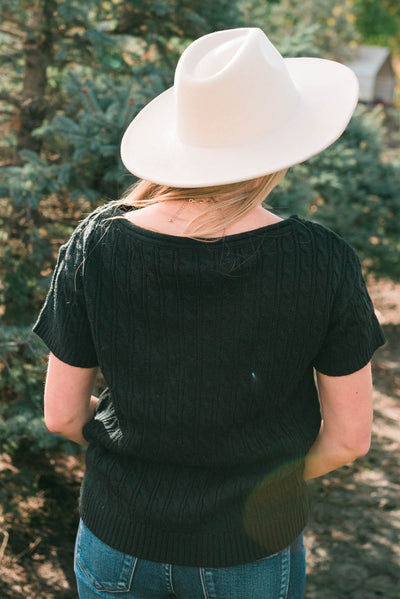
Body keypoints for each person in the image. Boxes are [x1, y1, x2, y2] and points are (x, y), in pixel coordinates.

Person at [32, 28, 385, 599]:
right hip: (248, 554)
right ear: (284, 145)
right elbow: (347, 441)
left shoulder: (95, 243)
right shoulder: (324, 260)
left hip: (117, 543)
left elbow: (61, 417)